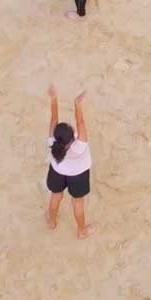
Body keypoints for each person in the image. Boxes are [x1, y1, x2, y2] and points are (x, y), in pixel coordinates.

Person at [44, 84, 93, 238]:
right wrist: (77, 104)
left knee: (56, 196)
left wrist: (53, 98)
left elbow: (53, 119)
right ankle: (82, 231)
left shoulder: (52, 142)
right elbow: (81, 123)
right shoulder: (80, 146)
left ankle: (51, 222)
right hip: (78, 175)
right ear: (72, 138)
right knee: (77, 202)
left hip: (57, 171)